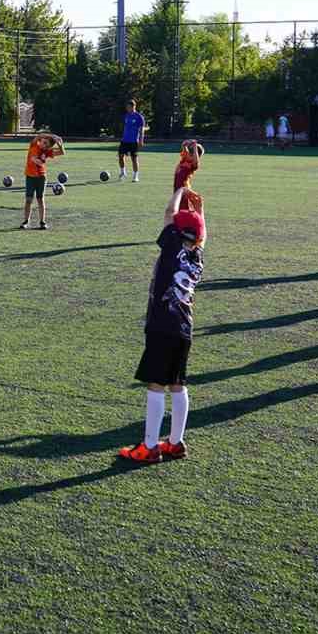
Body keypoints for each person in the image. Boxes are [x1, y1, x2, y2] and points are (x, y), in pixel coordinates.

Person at [118, 186, 206, 464]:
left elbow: (169, 213)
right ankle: (176, 442)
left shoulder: (171, 245)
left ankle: (149, 446)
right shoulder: (197, 257)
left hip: (161, 325)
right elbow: (202, 235)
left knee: (156, 385)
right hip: (184, 328)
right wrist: (200, 213)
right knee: (178, 385)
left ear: (178, 232)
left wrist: (181, 190)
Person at [20, 131, 65, 230]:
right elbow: (39, 136)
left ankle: (42, 222)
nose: (43, 144)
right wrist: (52, 135)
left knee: (40, 199)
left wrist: (60, 145)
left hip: (41, 177)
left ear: (49, 147)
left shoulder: (47, 152)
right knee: (28, 200)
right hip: (30, 177)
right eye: (43, 142)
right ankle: (26, 221)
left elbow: (62, 152)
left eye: (46, 144)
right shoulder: (34, 145)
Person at [117, 99, 146, 181]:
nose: (127, 108)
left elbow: (141, 130)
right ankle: (123, 172)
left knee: (134, 159)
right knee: (120, 156)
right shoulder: (126, 115)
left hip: (133, 141)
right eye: (127, 107)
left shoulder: (139, 117)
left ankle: (135, 176)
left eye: (129, 107)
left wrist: (141, 140)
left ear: (134, 107)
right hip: (124, 140)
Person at [173, 139, 204, 212]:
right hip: (177, 190)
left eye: (192, 152)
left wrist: (195, 146)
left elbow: (196, 160)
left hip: (185, 191)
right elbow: (184, 146)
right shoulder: (184, 159)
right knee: (178, 211)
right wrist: (186, 143)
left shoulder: (193, 165)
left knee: (185, 211)